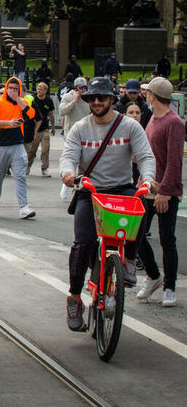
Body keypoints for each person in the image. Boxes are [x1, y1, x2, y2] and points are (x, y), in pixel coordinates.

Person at [59, 77, 156, 330]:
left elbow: (145, 156)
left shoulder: (130, 127)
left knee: (141, 207)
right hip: (89, 190)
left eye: (102, 97)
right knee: (84, 242)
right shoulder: (80, 128)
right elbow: (68, 156)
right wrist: (68, 174)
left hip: (121, 189)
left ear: (113, 100)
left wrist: (147, 179)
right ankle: (75, 297)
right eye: (93, 98)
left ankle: (130, 261)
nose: (97, 102)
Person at [134, 77, 182, 307]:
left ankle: (170, 287)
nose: (145, 95)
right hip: (146, 187)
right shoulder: (152, 117)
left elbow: (174, 161)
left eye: (147, 92)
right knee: (136, 233)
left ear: (153, 95)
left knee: (167, 239)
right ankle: (154, 276)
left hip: (164, 191)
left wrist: (165, 191)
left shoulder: (174, 122)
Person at [0, 77, 36, 219]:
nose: (13, 91)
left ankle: (24, 207)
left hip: (18, 145)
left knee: (20, 176)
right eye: (11, 88)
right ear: (6, 88)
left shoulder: (23, 102)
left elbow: (31, 114)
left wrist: (19, 100)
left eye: (16, 89)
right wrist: (8, 123)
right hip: (0, 145)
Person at [25, 82, 55, 177]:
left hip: (44, 128)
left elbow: (51, 114)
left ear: (45, 91)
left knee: (45, 149)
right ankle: (28, 166)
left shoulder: (49, 100)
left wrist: (53, 127)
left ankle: (45, 168)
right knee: (32, 150)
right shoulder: (33, 99)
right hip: (34, 128)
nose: (38, 90)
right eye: (38, 88)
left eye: (41, 89)